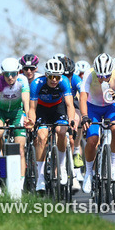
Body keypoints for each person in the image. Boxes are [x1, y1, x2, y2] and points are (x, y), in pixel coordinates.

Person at [28, 57, 77, 193]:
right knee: (41, 136)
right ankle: (40, 177)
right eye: (51, 76)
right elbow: (32, 109)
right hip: (42, 110)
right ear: (46, 75)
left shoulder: (64, 82)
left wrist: (71, 120)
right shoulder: (37, 83)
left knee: (61, 132)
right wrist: (31, 121)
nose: (54, 80)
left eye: (57, 76)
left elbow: (69, 105)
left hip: (58, 108)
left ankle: (61, 166)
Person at [78, 53, 115, 193]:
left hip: (112, 106)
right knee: (92, 140)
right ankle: (88, 173)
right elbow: (82, 97)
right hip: (93, 108)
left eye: (106, 76)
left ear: (111, 72)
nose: (102, 79)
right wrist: (85, 116)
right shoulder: (88, 74)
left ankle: (114, 165)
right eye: (99, 76)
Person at [0, 57, 32, 192]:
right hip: (2, 112)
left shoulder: (22, 80)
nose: (10, 77)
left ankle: (19, 185)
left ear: (18, 72)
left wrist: (28, 118)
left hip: (17, 112)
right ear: (2, 74)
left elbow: (26, 101)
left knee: (20, 148)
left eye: (13, 73)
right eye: (7, 74)